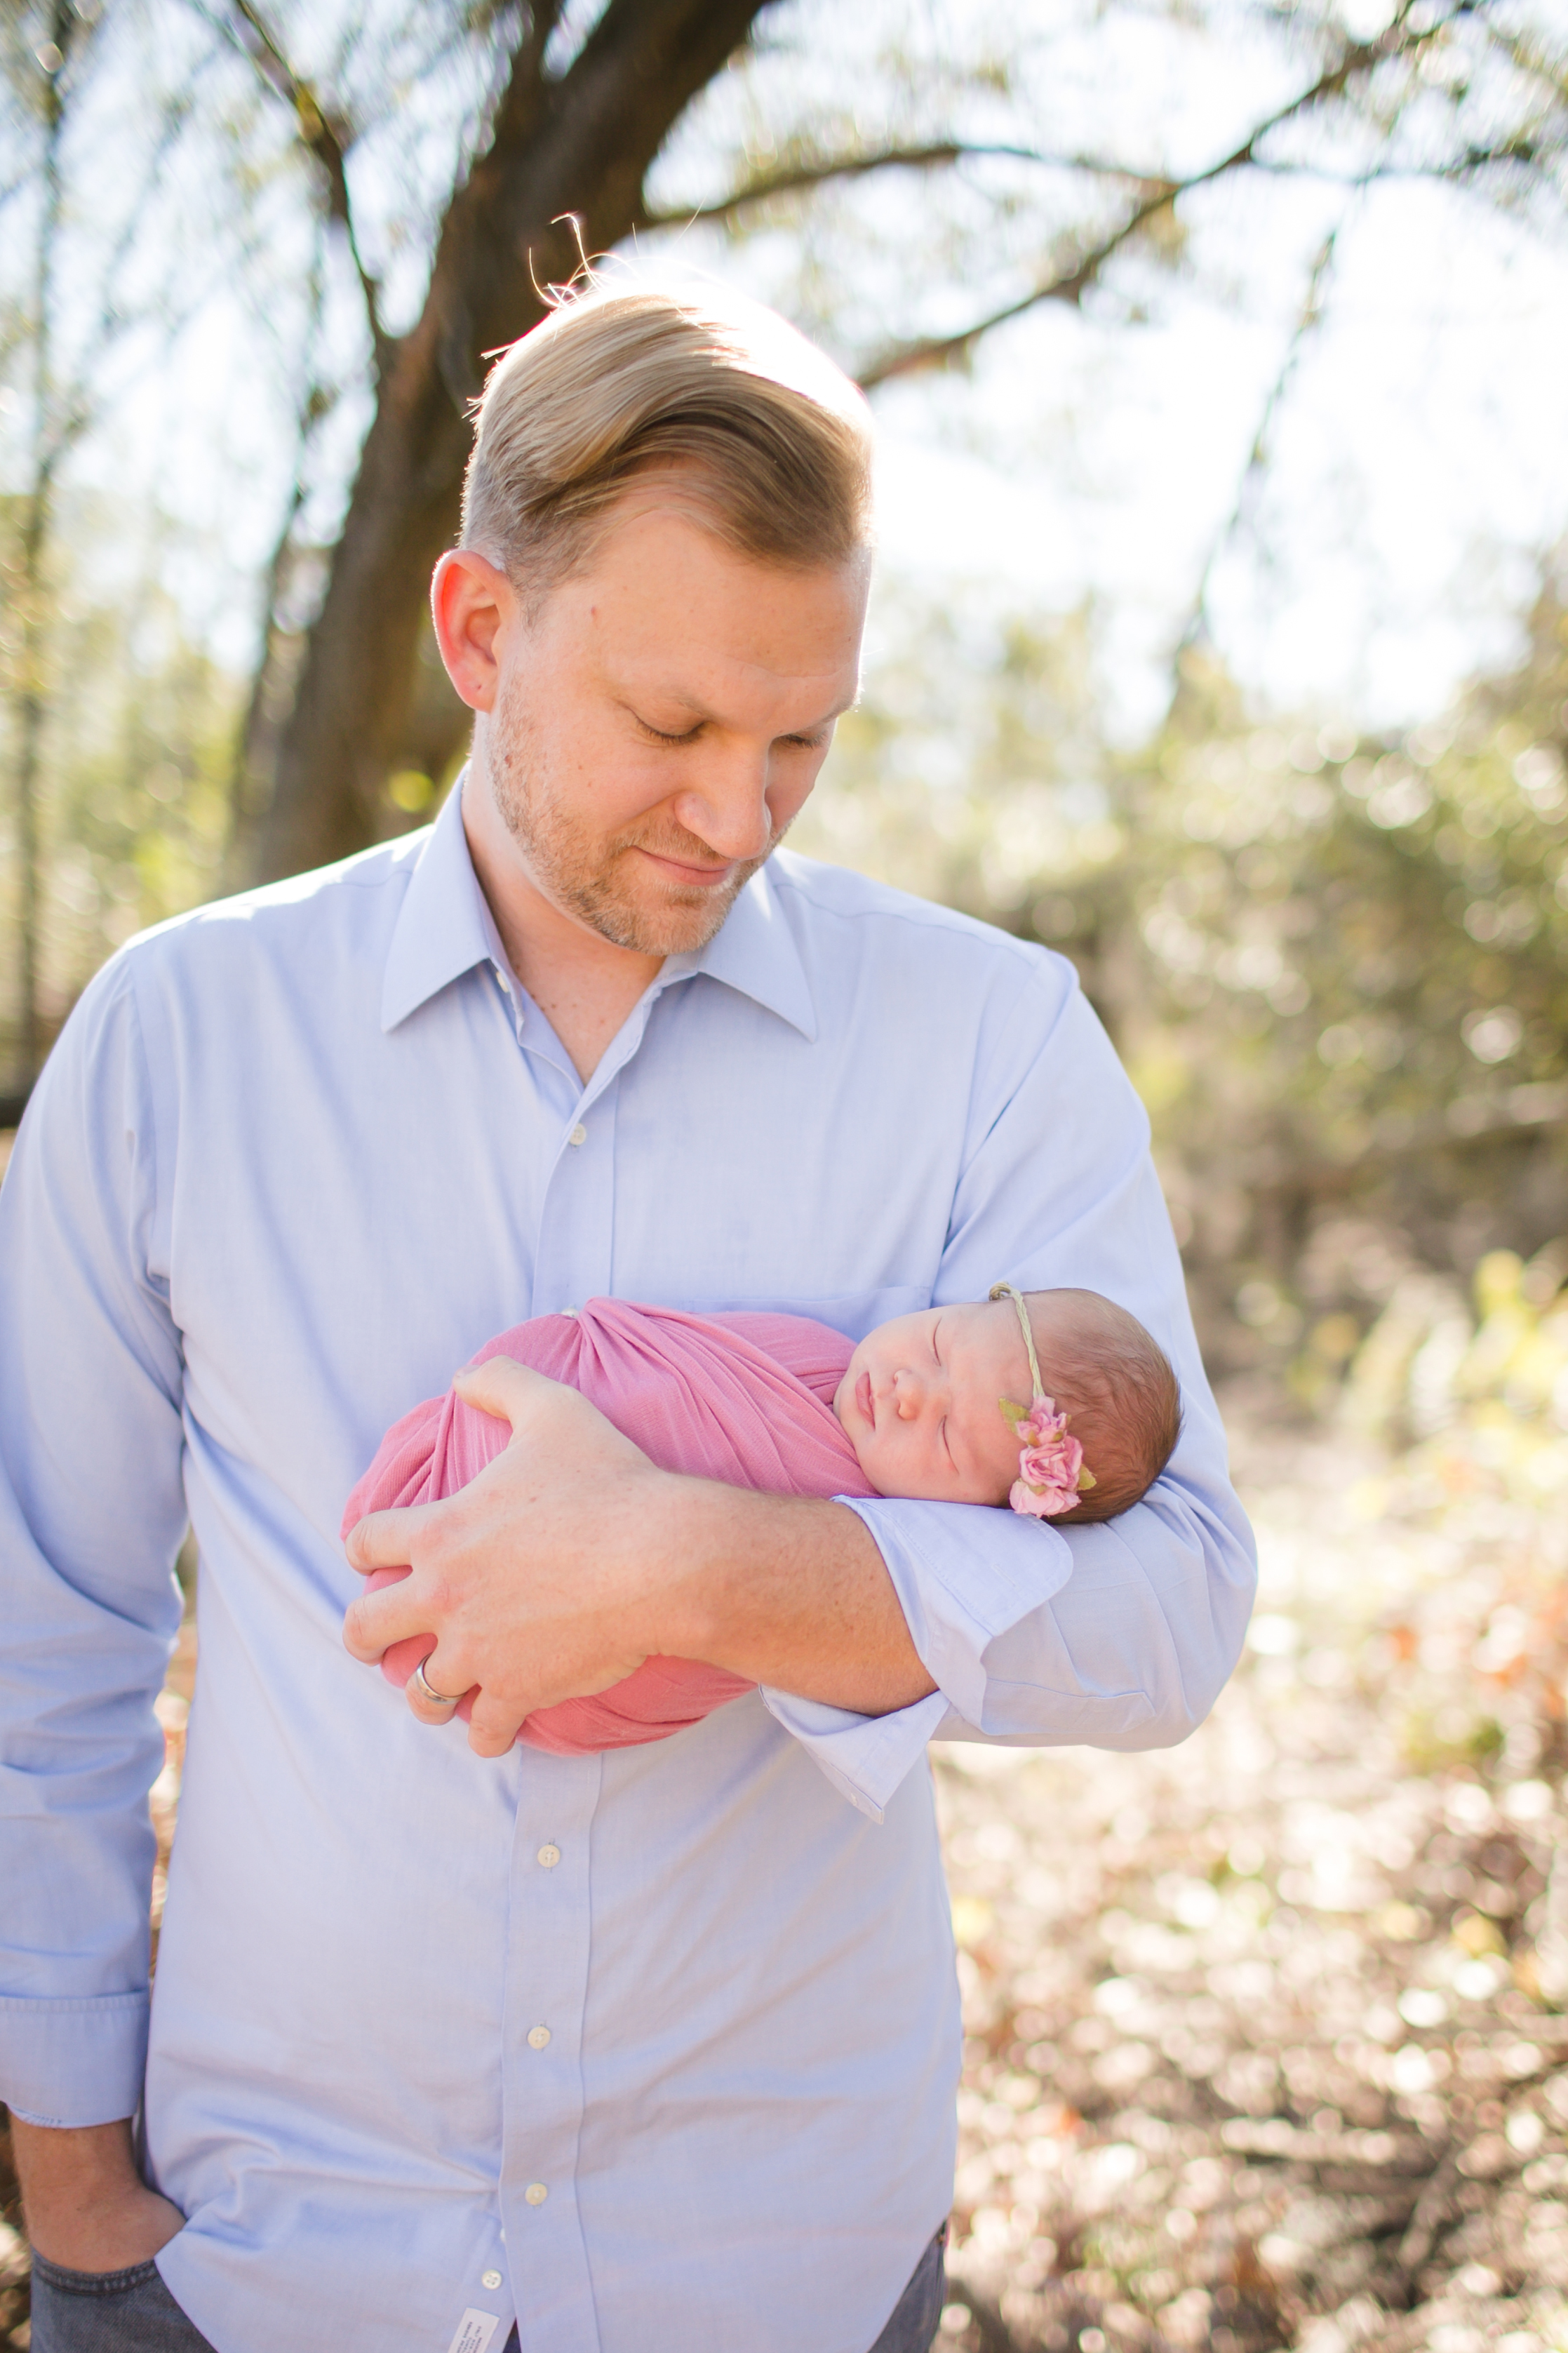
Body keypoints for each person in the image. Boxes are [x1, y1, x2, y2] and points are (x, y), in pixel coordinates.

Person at [0, 276, 1256, 2353]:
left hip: (772, 2261)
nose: (739, 817)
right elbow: (46, 1618)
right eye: (673, 727)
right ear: (480, 630)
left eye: (802, 739)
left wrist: (708, 1567)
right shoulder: (182, 1036)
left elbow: (1171, 1608)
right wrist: (73, 2182)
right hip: (251, 2256)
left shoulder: (985, 1042)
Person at [351, 1283, 1184, 1754]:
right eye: (936, 1345)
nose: (907, 1390)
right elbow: (663, 1368)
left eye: (945, 1435)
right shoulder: (817, 1358)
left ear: (978, 1516)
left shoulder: (847, 1525)